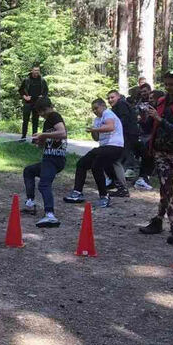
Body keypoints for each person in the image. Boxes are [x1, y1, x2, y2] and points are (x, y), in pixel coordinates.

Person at [139, 70, 173, 244]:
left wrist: (159, 119)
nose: (169, 88)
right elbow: (151, 125)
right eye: (166, 84)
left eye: (172, 84)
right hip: (159, 151)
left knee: (166, 187)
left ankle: (158, 221)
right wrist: (145, 117)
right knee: (166, 186)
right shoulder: (161, 101)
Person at [63, 98, 125, 208]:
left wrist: (95, 130)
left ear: (103, 106)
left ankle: (104, 196)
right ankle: (77, 192)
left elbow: (110, 127)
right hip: (104, 147)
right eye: (93, 109)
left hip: (115, 146)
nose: (95, 111)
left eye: (96, 108)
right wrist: (93, 130)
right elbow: (96, 139)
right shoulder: (97, 119)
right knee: (82, 164)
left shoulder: (108, 113)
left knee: (96, 165)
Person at [22, 98, 68, 227]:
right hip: (49, 158)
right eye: (40, 112)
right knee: (29, 171)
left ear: (48, 107)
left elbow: (62, 133)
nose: (41, 114)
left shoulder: (54, 116)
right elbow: (44, 143)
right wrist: (39, 140)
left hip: (55, 159)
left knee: (44, 185)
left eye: (42, 111)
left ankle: (50, 215)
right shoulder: (48, 121)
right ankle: (30, 203)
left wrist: (43, 135)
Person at [106, 89, 136, 198]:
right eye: (108, 98)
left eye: (112, 97)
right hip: (125, 135)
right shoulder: (118, 106)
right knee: (115, 160)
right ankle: (118, 184)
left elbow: (124, 119)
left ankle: (122, 187)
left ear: (118, 97)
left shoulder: (122, 104)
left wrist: (115, 130)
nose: (110, 100)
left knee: (116, 160)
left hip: (127, 135)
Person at [132, 83, 156, 191]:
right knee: (146, 155)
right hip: (143, 135)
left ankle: (144, 178)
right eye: (142, 92)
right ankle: (142, 178)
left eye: (145, 91)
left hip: (153, 135)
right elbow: (143, 122)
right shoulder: (140, 104)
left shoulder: (157, 107)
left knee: (149, 156)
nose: (144, 94)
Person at [18, 64, 49, 141]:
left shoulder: (42, 80)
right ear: (32, 71)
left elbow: (46, 91)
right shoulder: (27, 80)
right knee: (25, 120)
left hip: (37, 104)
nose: (36, 72)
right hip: (28, 103)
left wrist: (42, 97)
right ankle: (23, 137)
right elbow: (21, 90)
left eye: (38, 70)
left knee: (35, 121)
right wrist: (25, 97)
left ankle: (34, 139)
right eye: (35, 70)